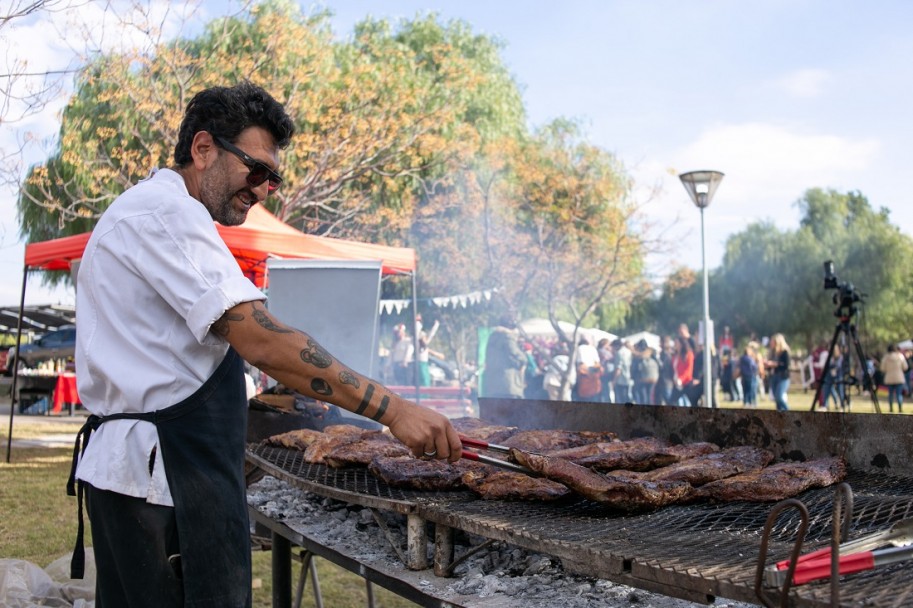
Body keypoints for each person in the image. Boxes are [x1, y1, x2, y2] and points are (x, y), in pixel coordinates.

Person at [68, 82, 461, 608]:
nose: (263, 189)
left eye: (272, 179)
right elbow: (261, 339)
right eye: (256, 171)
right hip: (164, 483)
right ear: (203, 148)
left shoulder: (149, 211)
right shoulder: (166, 215)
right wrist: (393, 410)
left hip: (147, 477)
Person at [480, 313, 527, 398]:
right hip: (509, 383)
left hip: (493, 384)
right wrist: (524, 359)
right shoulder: (507, 336)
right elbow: (514, 352)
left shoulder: (492, 336)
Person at [765, 333, 791, 411]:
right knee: (776, 400)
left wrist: (774, 364)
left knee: (778, 397)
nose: (771, 343)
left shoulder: (784, 352)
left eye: (772, 342)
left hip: (782, 377)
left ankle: (788, 412)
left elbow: (786, 365)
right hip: (773, 377)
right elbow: (770, 367)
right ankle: (780, 416)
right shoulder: (772, 352)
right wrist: (767, 365)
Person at [880, 344, 909, 413]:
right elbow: (905, 367)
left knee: (890, 394)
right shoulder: (900, 356)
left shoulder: (885, 358)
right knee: (899, 394)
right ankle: (900, 408)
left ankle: (891, 408)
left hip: (889, 378)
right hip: (899, 377)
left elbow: (882, 368)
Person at [574, 336, 603, 401]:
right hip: (594, 377)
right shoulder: (593, 348)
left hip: (584, 378)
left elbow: (581, 364)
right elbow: (597, 364)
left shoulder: (579, 348)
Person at [632, 339, 660, 404]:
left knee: (644, 397)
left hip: (642, 378)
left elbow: (636, 367)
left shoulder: (639, 354)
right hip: (653, 378)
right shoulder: (652, 352)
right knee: (649, 396)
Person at [610, 338, 633, 403]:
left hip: (620, 380)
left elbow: (618, 369)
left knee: (620, 399)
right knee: (626, 397)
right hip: (628, 377)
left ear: (616, 345)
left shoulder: (619, 353)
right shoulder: (629, 352)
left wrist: (614, 381)